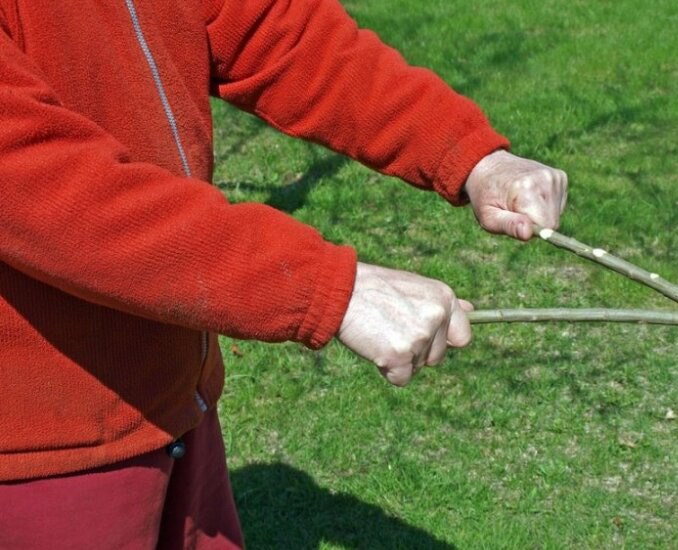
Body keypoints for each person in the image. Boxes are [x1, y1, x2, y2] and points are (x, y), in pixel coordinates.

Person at [0, 0, 567, 548]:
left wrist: (468, 154)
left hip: (174, 393)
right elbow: (36, 181)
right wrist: (324, 288)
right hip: (44, 454)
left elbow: (277, 30)